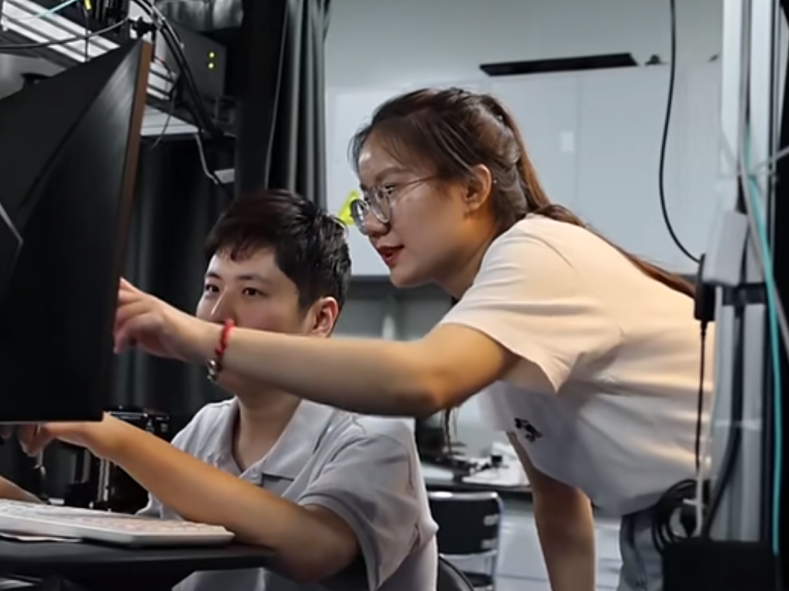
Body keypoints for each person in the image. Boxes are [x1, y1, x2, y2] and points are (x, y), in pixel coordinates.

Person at [106, 88, 713, 591]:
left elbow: (420, 381)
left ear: (473, 189)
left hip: (715, 524)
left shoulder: (537, 251)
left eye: (390, 191)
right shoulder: (495, 319)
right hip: (663, 536)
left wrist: (197, 338)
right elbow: (558, 503)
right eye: (367, 199)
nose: (374, 223)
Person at [6, 190, 438, 591]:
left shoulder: (373, 437)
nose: (216, 314)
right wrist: (15, 501)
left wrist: (103, 431)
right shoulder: (206, 429)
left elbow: (314, 549)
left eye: (251, 291)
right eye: (212, 288)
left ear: (320, 319)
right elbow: (136, 558)